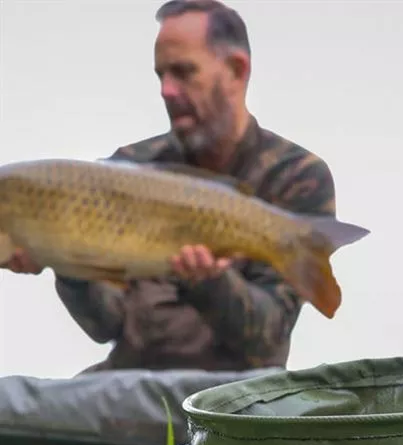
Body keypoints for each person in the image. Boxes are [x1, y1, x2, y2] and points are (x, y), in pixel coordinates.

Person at [6, 0, 337, 373]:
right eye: (161, 75)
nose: (166, 90)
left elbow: (268, 337)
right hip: (131, 382)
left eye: (183, 72)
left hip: (231, 393)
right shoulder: (128, 169)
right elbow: (106, 325)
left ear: (236, 70)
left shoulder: (295, 175)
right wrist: (63, 260)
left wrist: (211, 282)